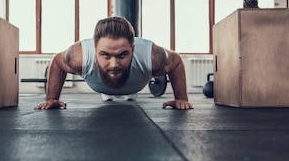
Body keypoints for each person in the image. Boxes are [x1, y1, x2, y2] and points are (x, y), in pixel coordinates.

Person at [34, 17, 194, 110]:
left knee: (129, 93)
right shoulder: (79, 56)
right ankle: (110, 93)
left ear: (133, 48)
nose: (114, 64)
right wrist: (52, 98)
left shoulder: (150, 56)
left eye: (122, 54)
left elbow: (176, 62)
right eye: (105, 55)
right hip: (103, 85)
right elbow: (57, 62)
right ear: (95, 49)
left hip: (134, 85)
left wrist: (181, 98)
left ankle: (127, 93)